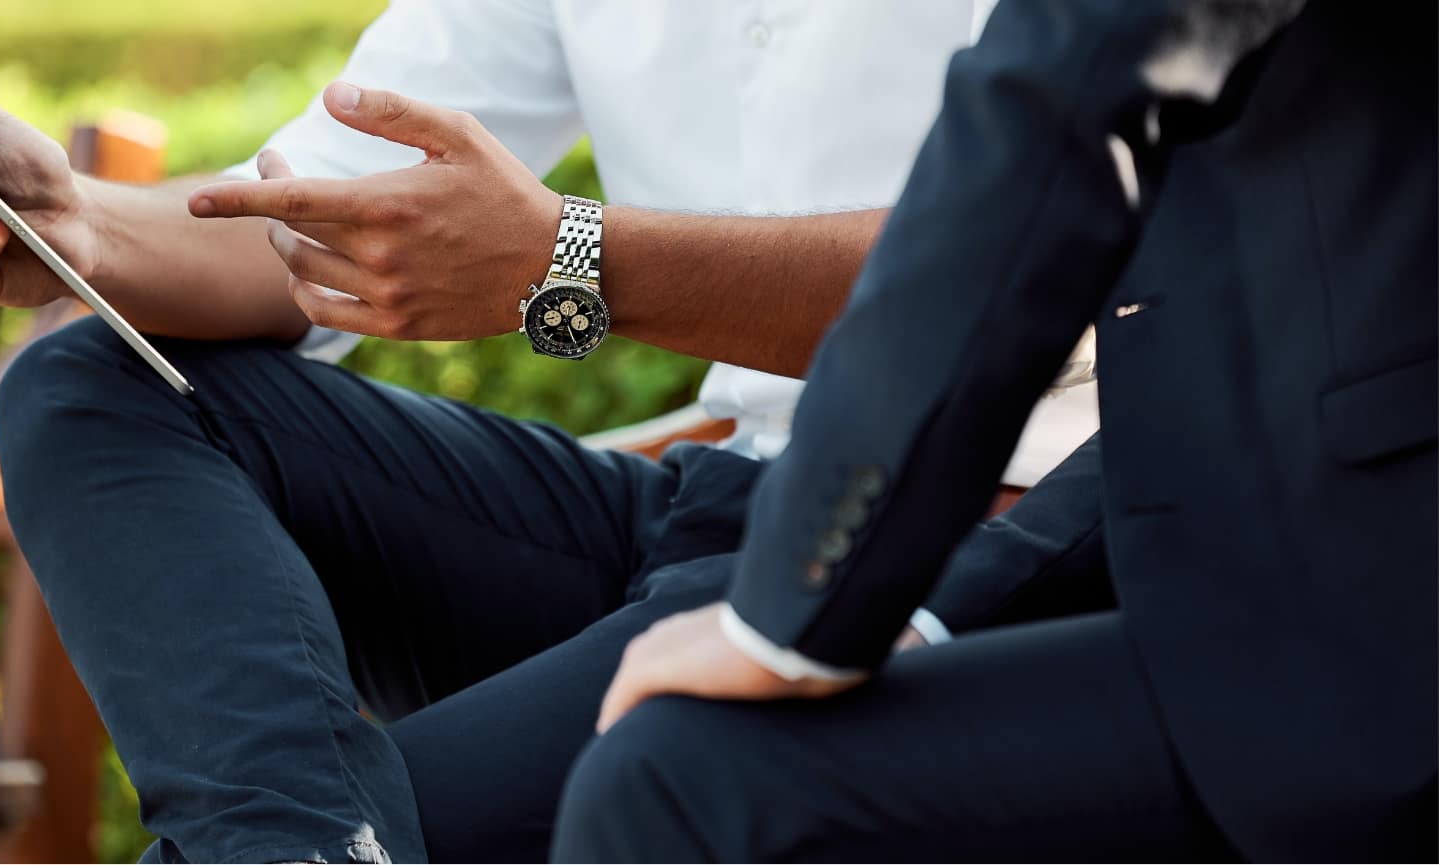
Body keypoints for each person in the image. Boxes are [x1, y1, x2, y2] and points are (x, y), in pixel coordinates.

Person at [0, 2, 1102, 861]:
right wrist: (76, 224)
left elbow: (1040, 271)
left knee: (418, 826)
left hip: (968, 533)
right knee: (89, 390)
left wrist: (570, 261)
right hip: (711, 500)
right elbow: (312, 216)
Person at [553, 0, 1436, 860]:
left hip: (1351, 616)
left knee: (673, 782)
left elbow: (1064, 102)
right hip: (814, 503)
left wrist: (795, 608)